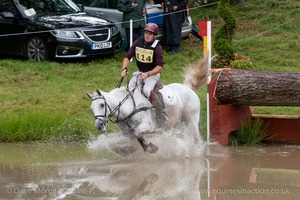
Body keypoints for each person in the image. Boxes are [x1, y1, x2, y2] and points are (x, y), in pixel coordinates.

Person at [121, 23, 167, 126]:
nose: (147, 35)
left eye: (150, 34)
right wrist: (124, 68)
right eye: (146, 33)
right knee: (129, 89)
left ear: (154, 35)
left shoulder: (157, 47)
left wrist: (148, 74)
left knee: (146, 90)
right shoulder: (138, 42)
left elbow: (160, 67)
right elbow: (127, 57)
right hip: (140, 72)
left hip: (152, 74)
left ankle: (160, 114)